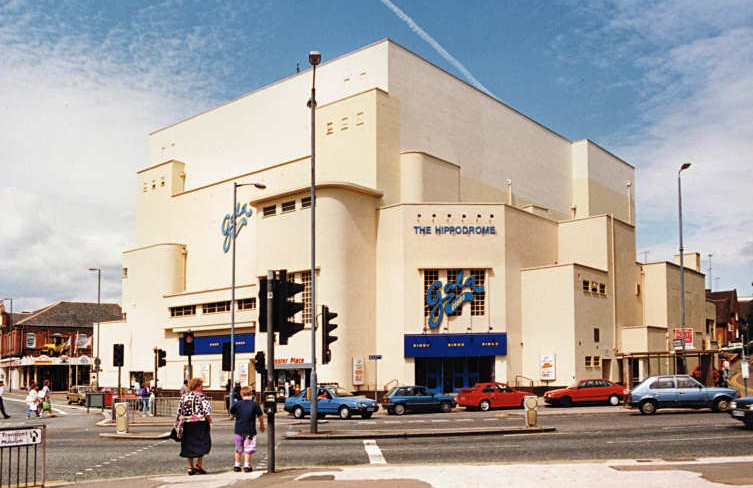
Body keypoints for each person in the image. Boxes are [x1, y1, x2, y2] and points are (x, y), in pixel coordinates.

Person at [177, 377, 212, 475]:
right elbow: (206, 409)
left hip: (187, 423)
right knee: (202, 443)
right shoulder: (201, 396)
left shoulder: (184, 396)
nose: (202, 387)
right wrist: (209, 419)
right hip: (200, 422)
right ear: (197, 386)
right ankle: (199, 465)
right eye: (201, 385)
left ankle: (190, 467)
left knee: (189, 444)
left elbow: (179, 410)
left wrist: (179, 422)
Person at [229, 386, 265, 472]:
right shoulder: (255, 404)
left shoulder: (237, 404)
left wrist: (235, 416)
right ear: (251, 394)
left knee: (238, 448)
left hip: (238, 429)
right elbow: (260, 416)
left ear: (241, 394)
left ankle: (237, 465)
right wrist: (262, 425)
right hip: (250, 430)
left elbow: (232, 412)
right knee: (248, 448)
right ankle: (246, 465)